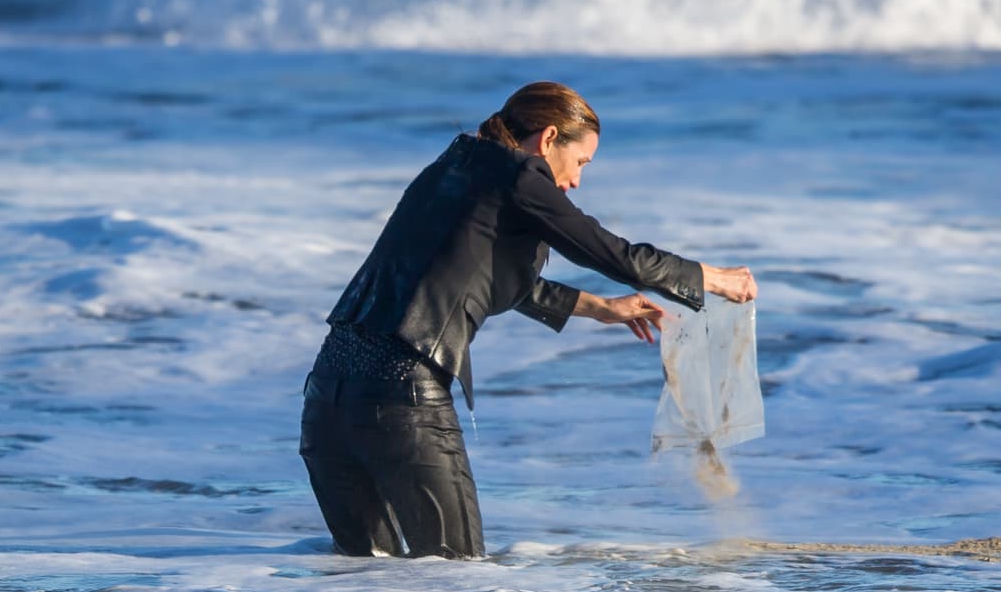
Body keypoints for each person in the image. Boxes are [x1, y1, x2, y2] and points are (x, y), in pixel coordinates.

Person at [300, 81, 757, 559]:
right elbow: (610, 252)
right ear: (548, 138)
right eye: (580, 162)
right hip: (401, 400)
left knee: (361, 589)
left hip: (325, 400)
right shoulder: (521, 177)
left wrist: (599, 308)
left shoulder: (452, 168)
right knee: (456, 586)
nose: (577, 181)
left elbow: (479, 276)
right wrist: (709, 277)